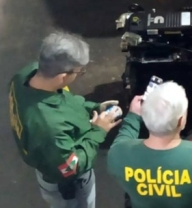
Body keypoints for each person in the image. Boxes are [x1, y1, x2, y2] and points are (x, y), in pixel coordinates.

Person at [9, 32, 122, 208]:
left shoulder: (27, 75)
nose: (79, 74)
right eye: (79, 71)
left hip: (49, 156)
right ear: (62, 76)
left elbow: (65, 100)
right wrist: (98, 131)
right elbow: (70, 167)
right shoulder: (49, 127)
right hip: (67, 184)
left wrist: (93, 107)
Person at [107, 81, 192, 208]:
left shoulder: (118, 154)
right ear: (180, 121)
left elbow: (123, 138)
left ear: (145, 115)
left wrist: (133, 116)